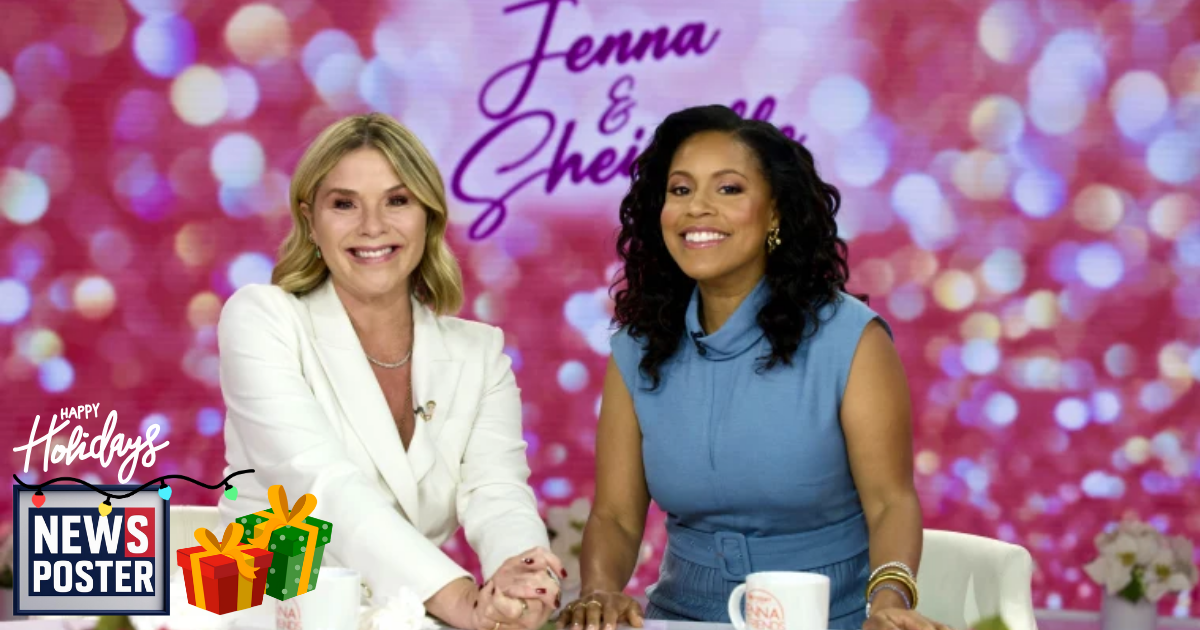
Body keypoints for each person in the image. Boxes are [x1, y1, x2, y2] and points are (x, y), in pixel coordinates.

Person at [557, 105, 949, 630]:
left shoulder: (851, 339)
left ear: (775, 214)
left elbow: (890, 503)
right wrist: (600, 592)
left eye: (728, 189)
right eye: (680, 189)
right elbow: (615, 517)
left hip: (832, 618)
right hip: (681, 618)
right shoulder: (637, 347)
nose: (698, 207)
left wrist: (888, 603)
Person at [216, 113, 564, 630]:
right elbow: (321, 488)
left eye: (397, 201)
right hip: (268, 617)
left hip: (404, 619)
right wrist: (462, 599)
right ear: (310, 220)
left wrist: (522, 581)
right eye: (344, 204)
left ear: (428, 216)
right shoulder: (262, 318)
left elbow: (498, 494)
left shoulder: (479, 353)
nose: (372, 226)